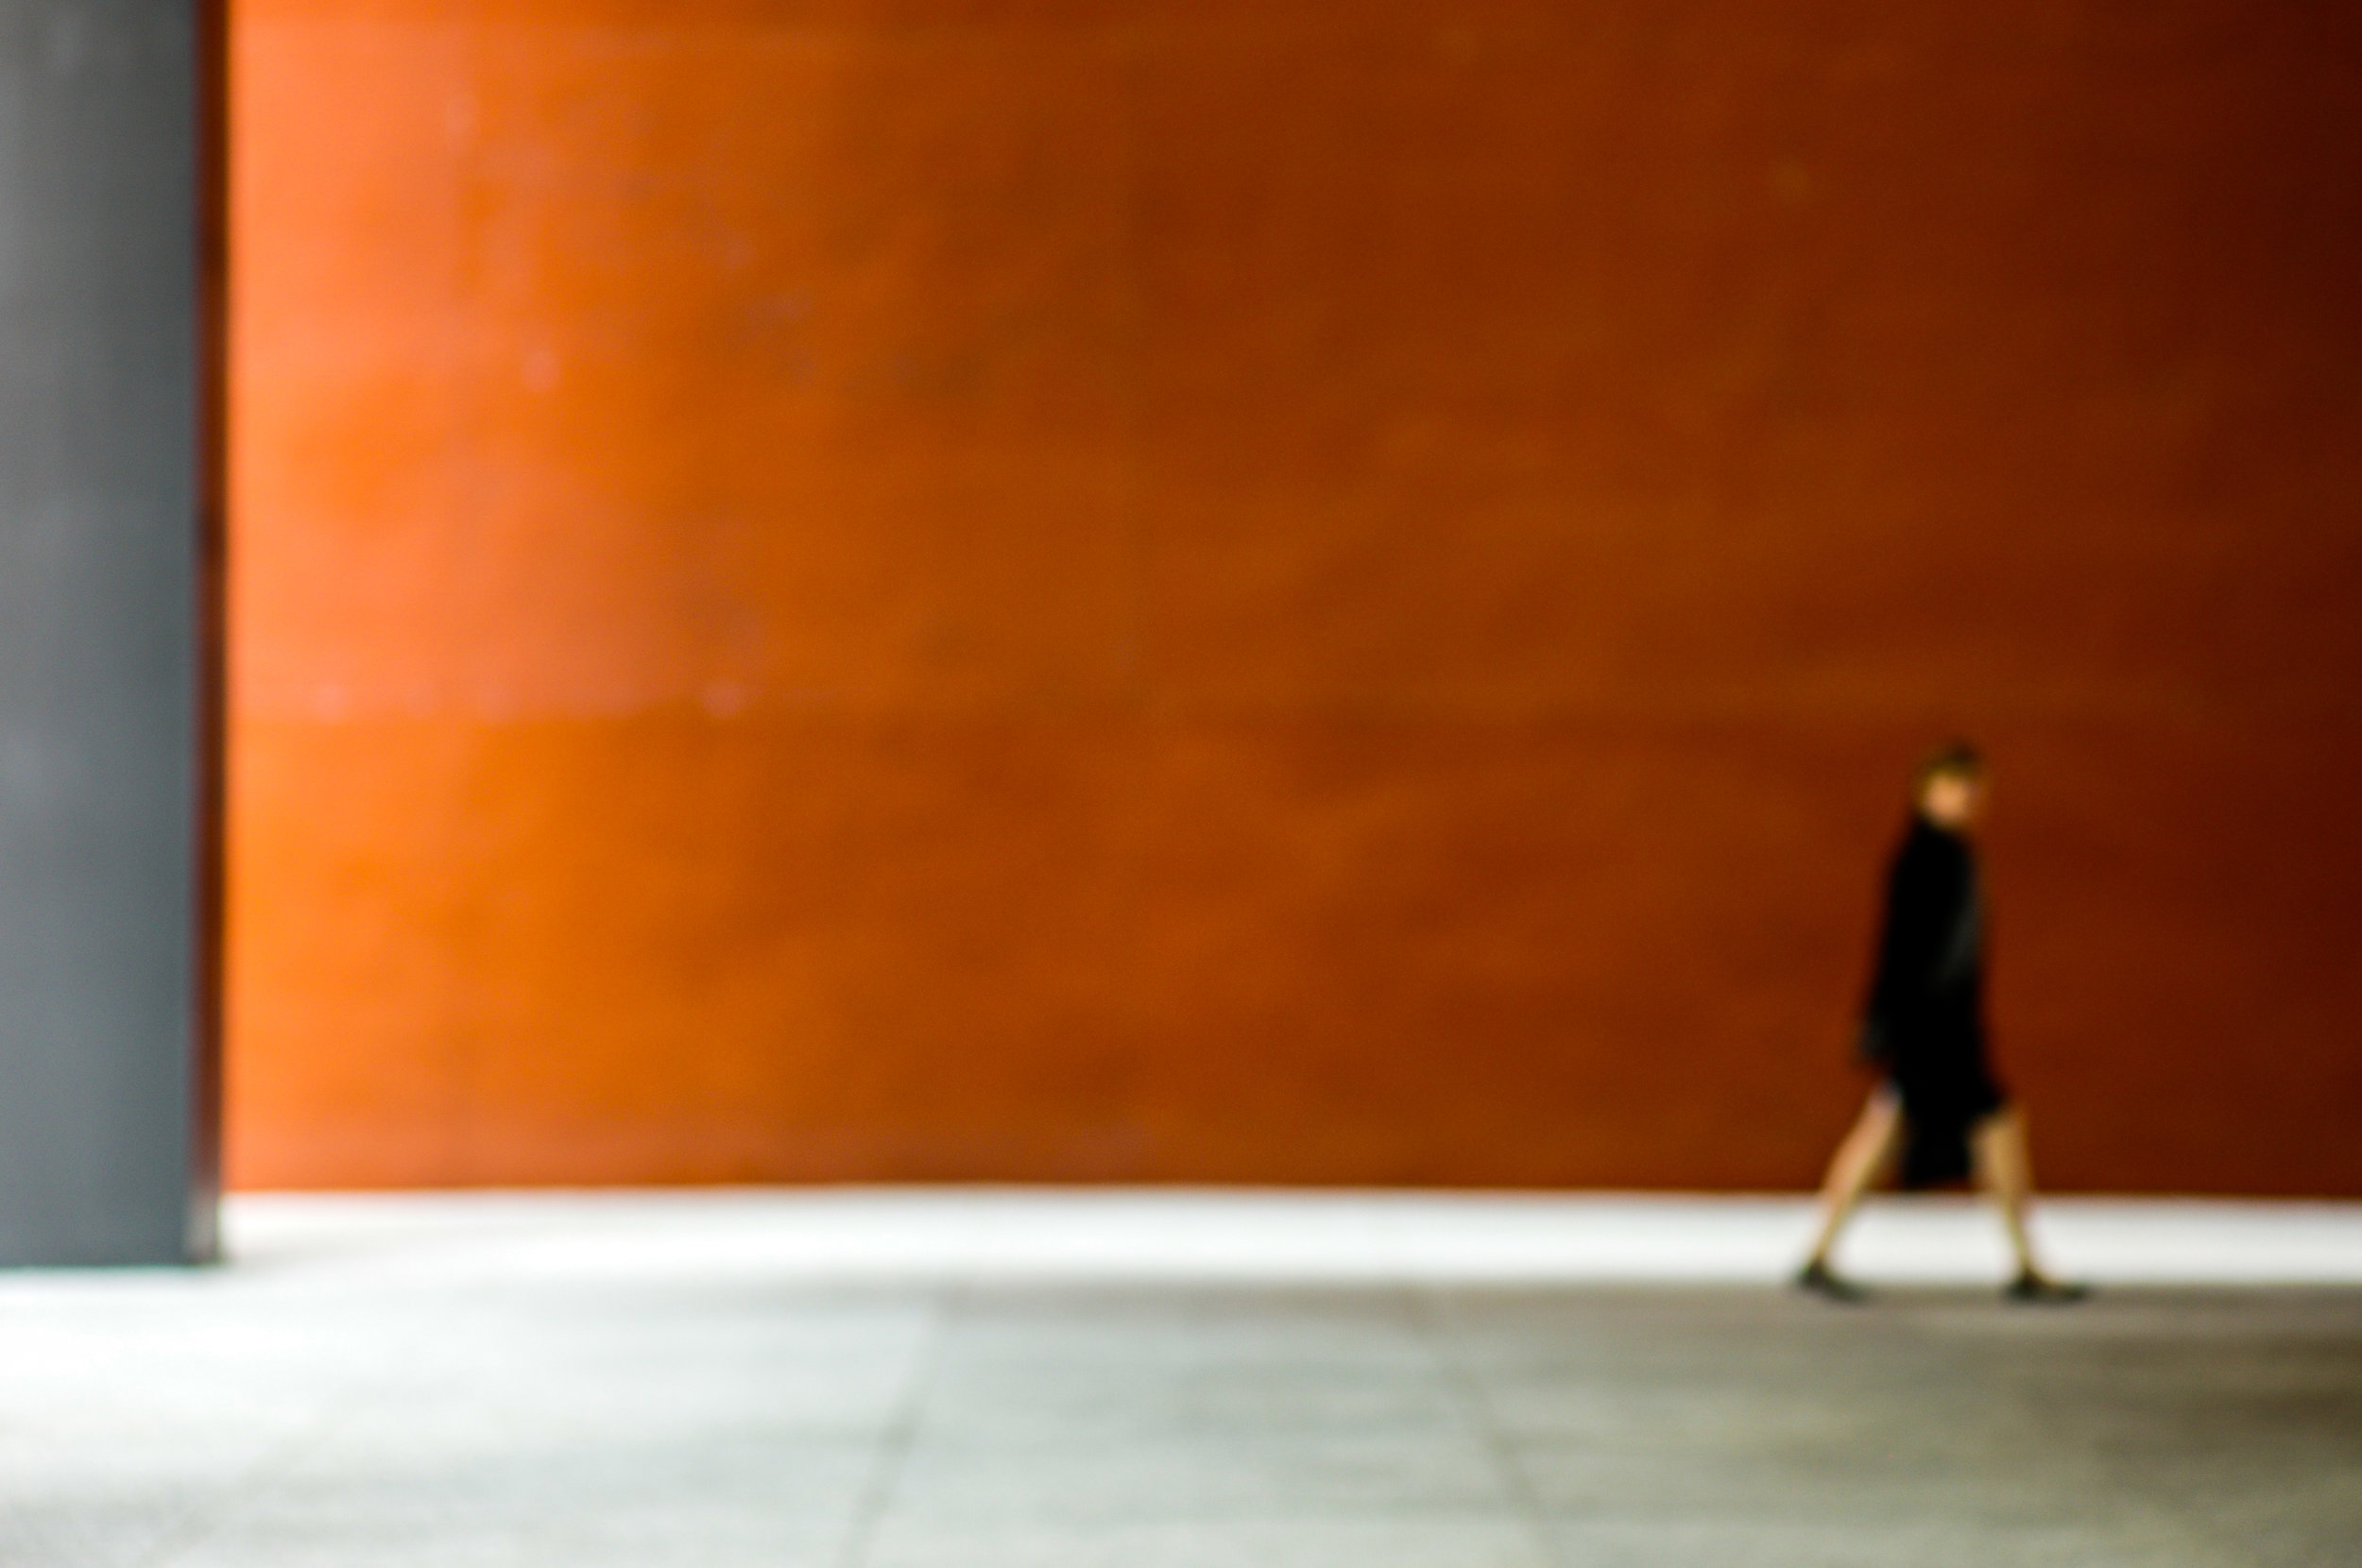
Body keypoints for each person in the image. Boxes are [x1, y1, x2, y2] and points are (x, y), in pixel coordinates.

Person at [1795, 742, 2085, 1304]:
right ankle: (2024, 1264)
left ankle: (1821, 1254)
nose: (1969, 799)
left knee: (1901, 1131)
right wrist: (1892, 1020)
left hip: (1939, 1032)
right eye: (1957, 787)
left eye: (1975, 789)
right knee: (1984, 1128)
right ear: (1927, 791)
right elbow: (1902, 954)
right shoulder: (1926, 861)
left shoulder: (1949, 857)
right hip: (1935, 1034)